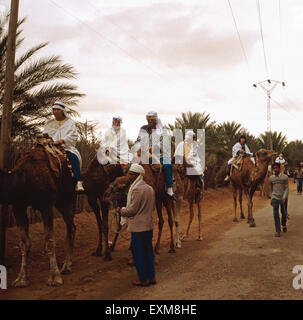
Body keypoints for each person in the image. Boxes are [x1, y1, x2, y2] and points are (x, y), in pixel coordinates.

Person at [117, 164, 156, 287]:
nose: (129, 176)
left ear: (137, 176)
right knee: (148, 252)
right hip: (148, 225)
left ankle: (143, 279)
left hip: (138, 227)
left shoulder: (136, 189)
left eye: (131, 174)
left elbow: (132, 210)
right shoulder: (149, 188)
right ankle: (151, 277)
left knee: (138, 253)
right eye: (129, 174)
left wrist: (121, 210)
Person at [134, 110, 175, 200]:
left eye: (152, 119)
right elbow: (138, 141)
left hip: (160, 154)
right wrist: (138, 147)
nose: (150, 121)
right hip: (144, 154)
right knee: (130, 167)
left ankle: (169, 188)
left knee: (167, 165)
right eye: (148, 119)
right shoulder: (143, 129)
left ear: (156, 119)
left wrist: (154, 148)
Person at [43, 101, 84, 192]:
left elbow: (73, 136)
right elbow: (45, 134)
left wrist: (62, 141)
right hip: (50, 147)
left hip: (65, 147)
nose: (56, 111)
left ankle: (78, 181)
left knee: (73, 158)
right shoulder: (49, 123)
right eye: (54, 110)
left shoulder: (69, 123)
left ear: (62, 111)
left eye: (58, 110)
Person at [269, 162, 289, 237]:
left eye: (276, 168)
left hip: (283, 198)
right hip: (275, 198)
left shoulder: (285, 177)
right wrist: (271, 197)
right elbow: (270, 189)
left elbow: (287, 189)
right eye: (274, 168)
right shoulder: (271, 178)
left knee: (284, 213)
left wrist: (284, 197)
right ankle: (277, 231)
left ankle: (283, 224)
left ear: (279, 169)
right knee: (275, 214)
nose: (275, 170)